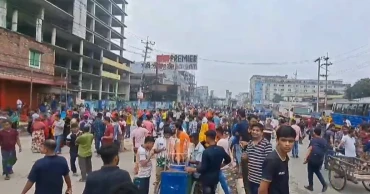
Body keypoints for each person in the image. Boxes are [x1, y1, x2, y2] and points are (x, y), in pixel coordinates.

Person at [258, 125, 296, 194]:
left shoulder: (285, 158)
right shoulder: (272, 160)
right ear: (277, 140)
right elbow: (262, 190)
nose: (287, 144)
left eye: (290, 141)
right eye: (283, 140)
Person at [303, 127, 328, 192]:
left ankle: (311, 186)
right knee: (316, 171)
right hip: (320, 159)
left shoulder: (313, 140)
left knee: (311, 172)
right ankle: (323, 184)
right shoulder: (324, 140)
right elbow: (325, 150)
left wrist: (306, 158)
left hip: (312, 159)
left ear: (314, 132)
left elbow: (310, 149)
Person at [152, 127, 173, 191]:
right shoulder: (158, 140)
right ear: (164, 133)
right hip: (160, 162)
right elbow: (154, 150)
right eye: (167, 134)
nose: (168, 136)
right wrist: (161, 149)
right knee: (158, 178)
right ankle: (155, 191)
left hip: (169, 162)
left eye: (169, 134)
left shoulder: (172, 140)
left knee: (168, 178)